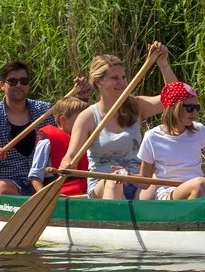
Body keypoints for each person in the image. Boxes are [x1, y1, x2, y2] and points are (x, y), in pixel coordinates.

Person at [59, 41, 177, 200]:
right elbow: (70, 156)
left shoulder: (136, 106)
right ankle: (115, 221)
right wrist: (65, 165)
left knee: (157, 179)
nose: (122, 82)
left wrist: (163, 63)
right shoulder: (87, 117)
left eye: (123, 77)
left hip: (136, 181)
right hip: (103, 186)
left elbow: (174, 98)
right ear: (98, 82)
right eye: (114, 78)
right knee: (114, 181)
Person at [0, 61, 91, 195]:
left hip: (44, 181)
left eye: (23, 81)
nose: (19, 85)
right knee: (4, 188)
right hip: (8, 182)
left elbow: (72, 123)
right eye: (13, 81)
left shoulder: (46, 111)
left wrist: (83, 99)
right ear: (2, 85)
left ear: (28, 85)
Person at [136, 81, 205, 200]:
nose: (195, 112)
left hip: (199, 187)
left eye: (197, 108)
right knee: (200, 183)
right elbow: (145, 181)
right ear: (175, 107)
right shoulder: (152, 137)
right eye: (190, 108)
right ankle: (190, 217)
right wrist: (125, 176)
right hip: (168, 194)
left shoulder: (198, 130)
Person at [28, 97, 90, 195]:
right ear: (63, 119)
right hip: (59, 196)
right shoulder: (46, 143)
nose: (85, 124)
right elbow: (35, 176)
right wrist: (45, 196)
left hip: (85, 194)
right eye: (80, 120)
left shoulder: (86, 141)